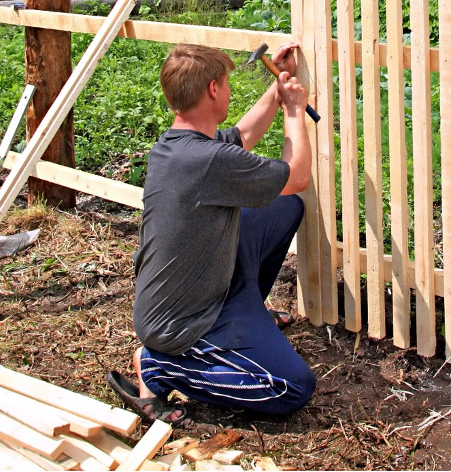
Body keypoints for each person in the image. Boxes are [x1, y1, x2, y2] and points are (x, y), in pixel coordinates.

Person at [107, 43, 316, 424]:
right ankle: (159, 367)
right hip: (183, 323)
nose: (230, 90)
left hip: (205, 289)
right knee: (292, 387)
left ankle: (249, 311)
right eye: (227, 83)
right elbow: (297, 174)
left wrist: (276, 90)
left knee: (283, 207)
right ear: (214, 91)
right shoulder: (208, 161)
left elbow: (243, 135)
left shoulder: (178, 146)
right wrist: (294, 112)